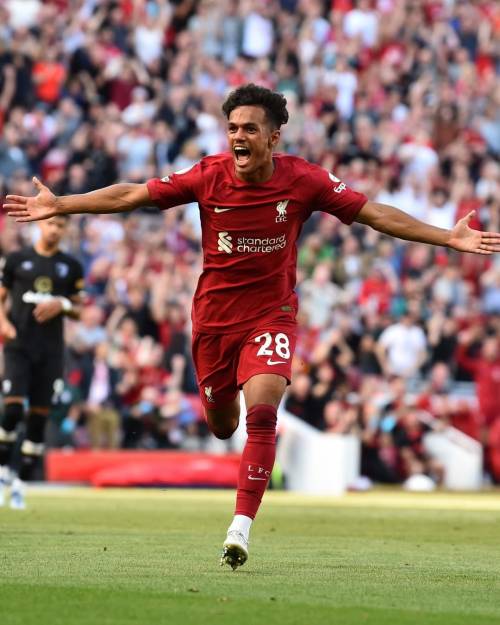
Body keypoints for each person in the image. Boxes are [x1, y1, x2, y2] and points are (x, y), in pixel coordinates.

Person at [4, 84, 500, 566]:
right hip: (213, 324)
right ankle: (221, 416)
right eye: (232, 128)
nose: (238, 137)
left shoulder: (305, 180)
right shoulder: (207, 174)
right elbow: (132, 195)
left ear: (273, 137)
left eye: (249, 129)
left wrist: (445, 238)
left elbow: (374, 213)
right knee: (223, 427)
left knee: (263, 413)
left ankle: (239, 528)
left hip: (271, 315)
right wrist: (63, 203)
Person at [0, 216, 83, 509]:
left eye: (60, 225)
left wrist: (61, 304)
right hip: (18, 346)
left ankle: (20, 483)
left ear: (65, 229)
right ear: (40, 225)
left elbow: (79, 308)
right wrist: (3, 324)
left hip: (50, 351)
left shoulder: (70, 266)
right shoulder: (16, 260)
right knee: (11, 410)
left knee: (37, 420)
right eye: (50, 224)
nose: (55, 229)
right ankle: (2, 474)